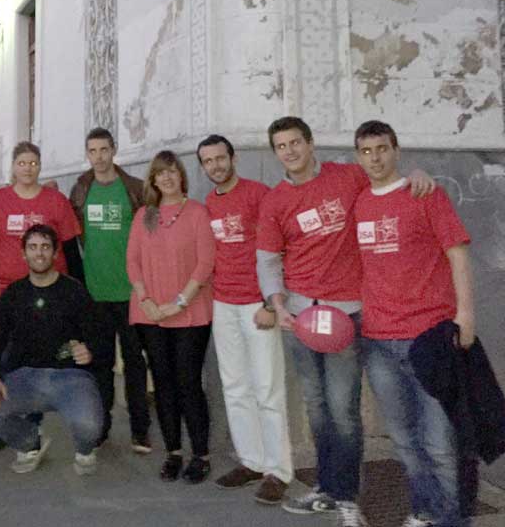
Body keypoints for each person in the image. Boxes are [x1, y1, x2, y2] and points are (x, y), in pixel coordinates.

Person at [256, 116, 434, 526]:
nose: (290, 151)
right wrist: (277, 302)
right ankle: (328, 487)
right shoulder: (275, 201)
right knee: (316, 407)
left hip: (346, 315)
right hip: (301, 317)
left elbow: (385, 179)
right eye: (281, 146)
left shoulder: (347, 176)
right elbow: (267, 259)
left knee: (343, 409)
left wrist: (417, 175)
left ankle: (348, 496)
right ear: (275, 152)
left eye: (296, 142)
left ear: (311, 143)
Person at [353, 120, 474, 527]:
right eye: (367, 151)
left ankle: (452, 520)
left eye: (382, 148)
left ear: (397, 150)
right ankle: (425, 510)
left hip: (429, 336)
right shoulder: (359, 202)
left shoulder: (427, 194)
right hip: (377, 340)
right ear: (358, 157)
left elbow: (457, 254)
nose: (375, 157)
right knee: (404, 441)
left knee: (439, 442)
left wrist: (466, 314)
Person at [197, 135, 292, 505]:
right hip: (224, 303)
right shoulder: (208, 202)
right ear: (203, 166)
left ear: (233, 158)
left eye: (221, 158)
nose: (216, 166)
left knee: (267, 387)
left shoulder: (259, 194)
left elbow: (279, 249)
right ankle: (251, 461)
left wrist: (272, 303)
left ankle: (278, 470)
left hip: (258, 304)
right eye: (208, 161)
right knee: (235, 386)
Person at [0, 141, 81, 451]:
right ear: (13, 166)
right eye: (22, 162)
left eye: (33, 162)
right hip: (6, 293)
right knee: (5, 356)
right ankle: (6, 420)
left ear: (39, 166)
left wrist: (77, 288)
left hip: (48, 292)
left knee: (36, 358)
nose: (27, 168)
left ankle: (31, 424)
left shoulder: (55, 201)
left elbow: (71, 248)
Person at [0, 224, 103, 475]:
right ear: (23, 254)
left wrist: (89, 351)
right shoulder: (14, 294)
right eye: (32, 247)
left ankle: (85, 449)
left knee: (89, 427)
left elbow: (98, 335)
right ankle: (30, 443)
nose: (39, 253)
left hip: (71, 378)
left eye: (45, 247)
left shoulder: (74, 290)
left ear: (55, 253)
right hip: (25, 377)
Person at [127, 150, 216, 484]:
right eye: (160, 173)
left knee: (188, 383)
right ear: (152, 179)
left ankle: (201, 454)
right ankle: (174, 452)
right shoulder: (144, 216)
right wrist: (145, 298)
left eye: (172, 171)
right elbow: (132, 261)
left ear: (182, 176)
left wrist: (179, 302)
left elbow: (205, 263)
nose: (166, 178)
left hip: (189, 312)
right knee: (163, 384)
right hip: (150, 313)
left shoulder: (196, 213)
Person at [68, 127, 151, 453]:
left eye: (104, 150)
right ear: (87, 154)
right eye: (93, 151)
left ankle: (140, 430)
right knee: (99, 364)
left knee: (134, 363)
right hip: (96, 293)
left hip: (130, 292)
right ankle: (100, 427)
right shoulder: (82, 188)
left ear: (114, 150)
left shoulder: (134, 189)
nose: (99, 157)